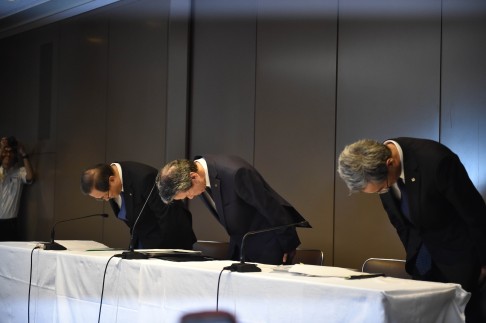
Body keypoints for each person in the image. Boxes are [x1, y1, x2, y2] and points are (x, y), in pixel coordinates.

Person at [338, 137, 486, 322]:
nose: (382, 192)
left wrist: (483, 262)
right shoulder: (376, 170)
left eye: (381, 189)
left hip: (460, 258)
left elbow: (475, 214)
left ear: (390, 163)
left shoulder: (437, 161)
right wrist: (414, 256)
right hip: (423, 262)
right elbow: (402, 224)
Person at [156, 155, 310, 265]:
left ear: (194, 176)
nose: (190, 197)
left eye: (188, 194)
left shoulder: (235, 173)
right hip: (241, 246)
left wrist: (289, 245)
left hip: (268, 247)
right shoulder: (201, 178)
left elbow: (271, 207)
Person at [80, 161, 196, 250]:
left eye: (105, 195)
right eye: (99, 199)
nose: (106, 199)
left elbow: (168, 217)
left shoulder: (145, 178)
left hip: (171, 242)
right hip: (145, 242)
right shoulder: (107, 178)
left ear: (112, 179)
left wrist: (159, 254)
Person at [0, 136, 34, 241]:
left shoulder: (19, 172)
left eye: (11, 152)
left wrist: (23, 154)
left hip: (10, 223)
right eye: (5, 151)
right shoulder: (0, 171)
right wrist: (1, 148)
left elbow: (30, 177)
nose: (8, 155)